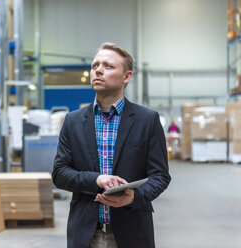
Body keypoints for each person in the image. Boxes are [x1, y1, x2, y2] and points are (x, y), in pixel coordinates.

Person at [52, 42, 171, 248]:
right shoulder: (72, 121)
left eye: (108, 66)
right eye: (95, 65)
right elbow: (60, 173)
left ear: (127, 77)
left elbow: (160, 176)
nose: (98, 70)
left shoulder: (147, 120)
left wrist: (134, 197)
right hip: (86, 234)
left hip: (132, 233)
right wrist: (96, 179)